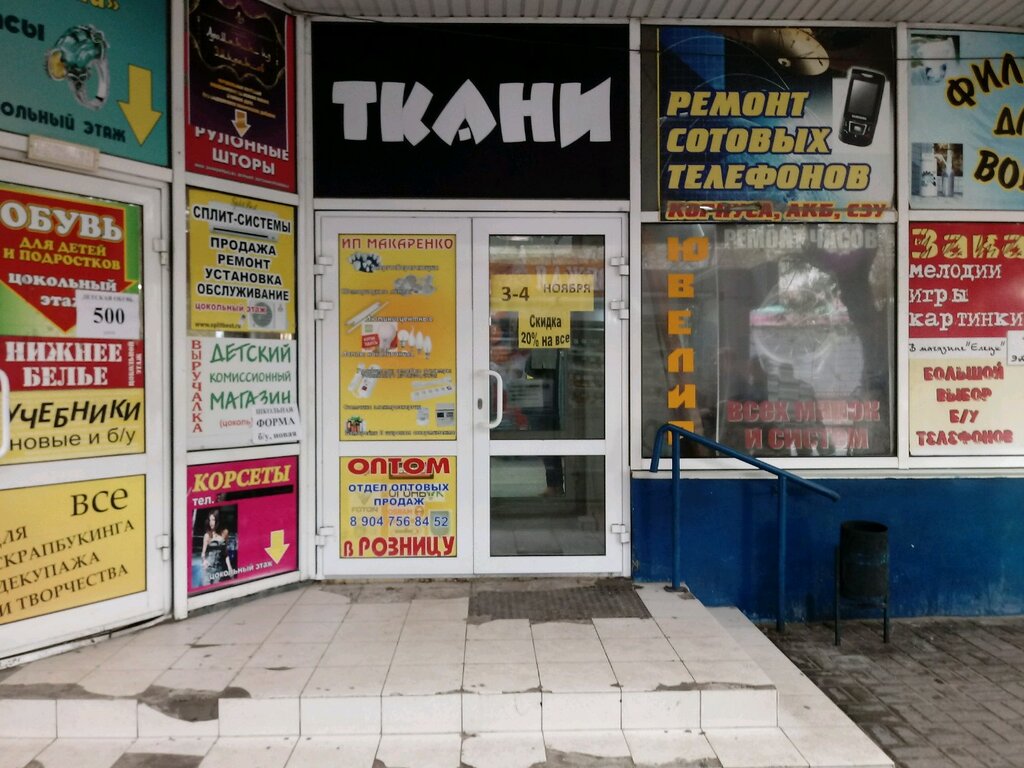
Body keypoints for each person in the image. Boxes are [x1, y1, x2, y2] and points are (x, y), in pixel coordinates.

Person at [201, 510, 233, 584]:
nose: (211, 522)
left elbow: (225, 553)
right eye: (210, 520)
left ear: (218, 520)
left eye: (213, 520)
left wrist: (230, 568)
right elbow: (203, 553)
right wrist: (204, 561)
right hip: (208, 569)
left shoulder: (225, 533)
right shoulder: (207, 535)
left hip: (219, 569)